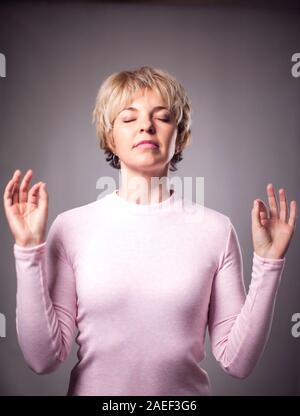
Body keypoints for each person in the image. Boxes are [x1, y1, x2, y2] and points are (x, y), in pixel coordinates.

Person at [3, 66, 298, 396]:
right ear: (110, 138)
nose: (146, 125)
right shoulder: (70, 228)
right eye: (129, 118)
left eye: (163, 117)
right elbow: (43, 359)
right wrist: (28, 249)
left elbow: (237, 362)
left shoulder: (216, 230)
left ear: (180, 136)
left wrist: (269, 264)